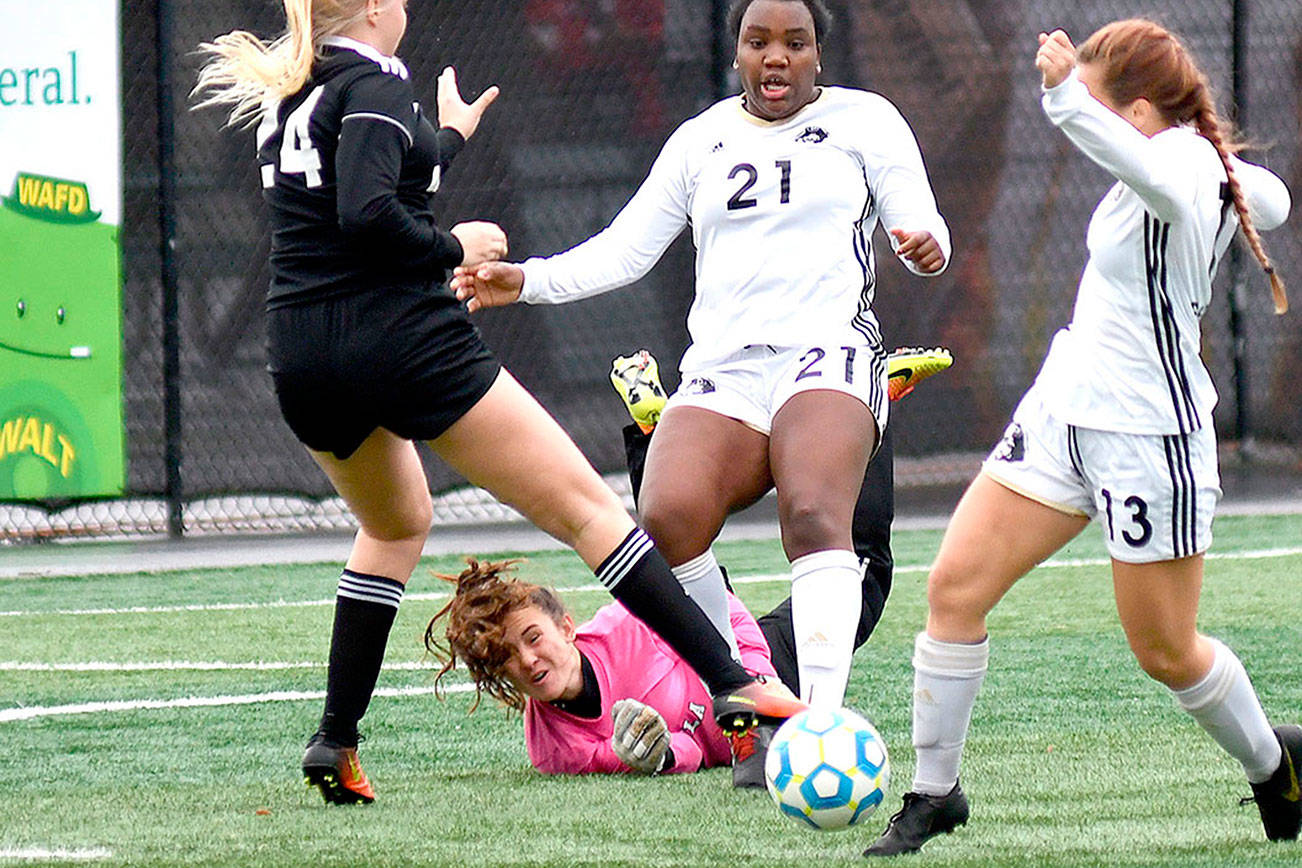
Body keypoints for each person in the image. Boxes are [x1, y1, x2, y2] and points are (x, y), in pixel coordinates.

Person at [191, 0, 803, 806]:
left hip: (303, 355)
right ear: (371, 9)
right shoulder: (376, 83)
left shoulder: (297, 92)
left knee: (394, 526)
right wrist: (457, 247)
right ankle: (735, 685)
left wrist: (446, 139)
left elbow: (363, 187)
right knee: (589, 511)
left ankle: (335, 738)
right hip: (398, 336)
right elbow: (366, 214)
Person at [865, 20, 1297, 857]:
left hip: (1149, 432)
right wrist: (1228, 172)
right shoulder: (1177, 163)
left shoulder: (1176, 166)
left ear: (1134, 113)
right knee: (954, 589)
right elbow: (1263, 197)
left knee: (1165, 650)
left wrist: (1066, 95)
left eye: (1100, 105)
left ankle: (1276, 765)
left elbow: (1191, 181)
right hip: (1065, 410)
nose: (1084, 124)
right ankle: (934, 794)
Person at [453, 0, 951, 715]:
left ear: (818, 53)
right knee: (667, 515)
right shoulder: (700, 140)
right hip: (726, 366)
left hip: (828, 351)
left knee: (813, 512)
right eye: (758, 40)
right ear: (736, 51)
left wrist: (927, 246)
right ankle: (749, 694)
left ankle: (820, 723)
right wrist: (527, 280)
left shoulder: (867, 120)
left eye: (795, 42)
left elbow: (922, 224)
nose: (775, 56)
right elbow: (625, 250)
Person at [426, 559, 787, 783]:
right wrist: (659, 755)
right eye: (506, 656)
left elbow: (722, 605)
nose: (528, 660)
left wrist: (759, 686)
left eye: (533, 638)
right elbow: (692, 751)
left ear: (566, 628)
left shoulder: (626, 622)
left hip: (772, 667)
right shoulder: (556, 750)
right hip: (747, 752)